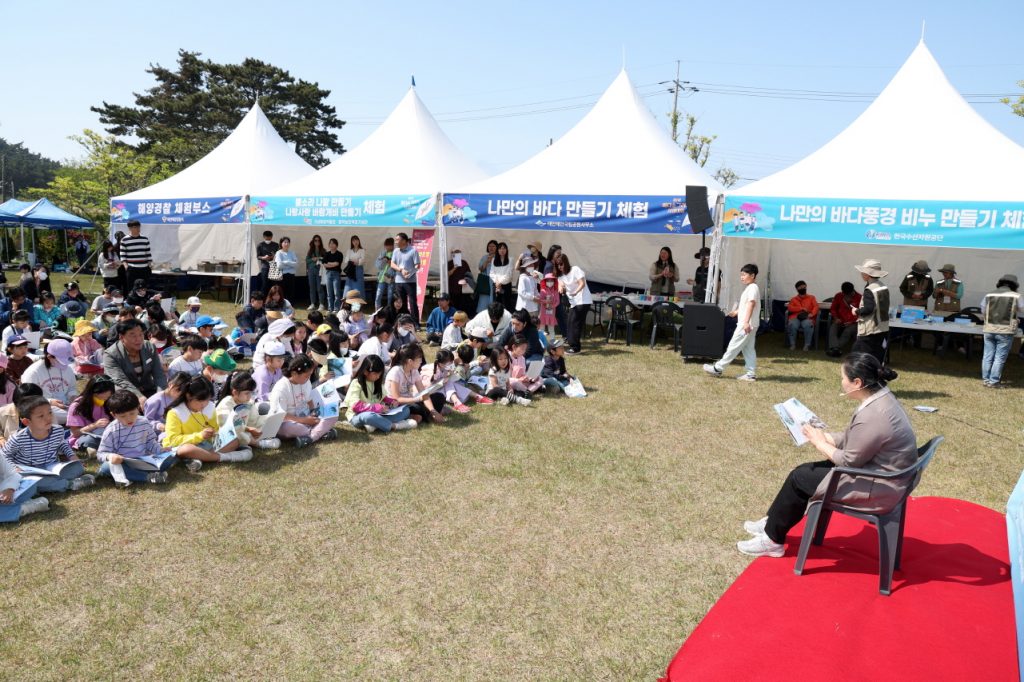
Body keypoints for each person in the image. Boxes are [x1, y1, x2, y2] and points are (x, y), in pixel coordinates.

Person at [737, 353, 910, 558]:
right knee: (807, 472)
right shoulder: (882, 398)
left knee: (799, 477)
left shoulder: (873, 415)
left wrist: (820, 443)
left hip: (877, 486)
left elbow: (849, 461)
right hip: (881, 475)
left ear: (857, 382)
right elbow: (857, 438)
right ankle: (773, 522)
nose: (841, 382)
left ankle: (772, 540)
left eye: (842, 378)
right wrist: (827, 437)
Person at [1, 395, 94, 492]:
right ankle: (69, 484)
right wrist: (14, 468)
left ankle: (51, 484)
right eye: (41, 416)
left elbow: (63, 445)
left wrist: (73, 457)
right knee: (27, 479)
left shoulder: (57, 430)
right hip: (30, 471)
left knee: (78, 467)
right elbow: (4, 456)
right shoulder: (18, 438)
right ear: (26, 421)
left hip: (52, 467)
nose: (48, 418)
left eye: (50, 413)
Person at [163, 375, 251, 469]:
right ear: (188, 396)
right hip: (182, 446)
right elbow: (173, 440)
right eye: (200, 401)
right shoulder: (175, 412)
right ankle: (225, 457)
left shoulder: (209, 407)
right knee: (186, 449)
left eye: (207, 400)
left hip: (205, 445)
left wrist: (218, 435)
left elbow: (215, 430)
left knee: (235, 441)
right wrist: (200, 436)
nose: (204, 404)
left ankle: (200, 458)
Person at [97, 390, 173, 487]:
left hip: (143, 461)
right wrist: (111, 457)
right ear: (113, 415)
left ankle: (137, 474)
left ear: (138, 408)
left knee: (170, 457)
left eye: (132, 413)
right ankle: (149, 477)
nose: (129, 418)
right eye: (123, 416)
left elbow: (150, 441)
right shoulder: (111, 430)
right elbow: (101, 454)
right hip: (124, 463)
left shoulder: (144, 422)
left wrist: (160, 450)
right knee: (107, 467)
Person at [703, 264, 760, 381]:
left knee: (733, 346)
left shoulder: (753, 288)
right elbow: (747, 305)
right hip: (751, 324)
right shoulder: (751, 288)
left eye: (744, 275)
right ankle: (750, 374)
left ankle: (718, 368)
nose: (741, 277)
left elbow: (751, 304)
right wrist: (736, 312)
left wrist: (745, 322)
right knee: (748, 349)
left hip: (746, 325)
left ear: (752, 275)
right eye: (741, 275)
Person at [269, 354, 339, 446]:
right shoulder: (281, 388)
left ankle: (310, 437)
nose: (308, 378)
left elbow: (309, 400)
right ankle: (320, 433)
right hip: (288, 422)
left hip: (306, 418)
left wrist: (313, 412)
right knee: (290, 428)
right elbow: (280, 415)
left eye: (310, 375)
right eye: (306, 376)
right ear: (294, 373)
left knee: (333, 412)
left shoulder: (306, 382)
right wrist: (304, 420)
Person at [344, 354, 416, 433]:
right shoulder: (356, 383)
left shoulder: (376, 383)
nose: (378, 376)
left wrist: (392, 402)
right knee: (368, 416)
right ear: (365, 372)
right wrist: (377, 408)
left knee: (406, 410)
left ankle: (375, 424)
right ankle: (395, 426)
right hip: (357, 415)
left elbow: (384, 397)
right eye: (375, 374)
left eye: (380, 374)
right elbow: (355, 406)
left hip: (378, 414)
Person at [216, 370, 280, 451]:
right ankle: (258, 443)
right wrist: (248, 429)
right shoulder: (226, 404)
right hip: (228, 436)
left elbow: (254, 420)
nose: (249, 396)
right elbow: (229, 426)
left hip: (245, 433)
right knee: (239, 433)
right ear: (235, 392)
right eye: (246, 393)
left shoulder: (248, 402)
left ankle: (254, 440)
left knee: (266, 420)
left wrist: (269, 421)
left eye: (251, 393)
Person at [103, 319, 167, 398]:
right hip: (126, 395)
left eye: (141, 334)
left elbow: (159, 374)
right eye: (133, 336)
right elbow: (120, 381)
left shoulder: (149, 347)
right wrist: (139, 397)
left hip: (149, 389)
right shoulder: (110, 355)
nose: (138, 339)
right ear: (121, 337)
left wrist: (160, 395)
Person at [385, 344, 445, 424]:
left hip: (411, 401)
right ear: (410, 361)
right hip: (398, 405)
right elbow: (397, 399)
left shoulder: (414, 371)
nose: (421, 361)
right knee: (417, 408)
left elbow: (423, 393)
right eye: (419, 359)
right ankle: (419, 415)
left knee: (439, 397)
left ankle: (425, 415)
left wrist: (433, 411)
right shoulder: (396, 372)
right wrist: (418, 399)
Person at [21, 339, 78, 424]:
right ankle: (75, 418)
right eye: (60, 360)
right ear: (49, 357)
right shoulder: (33, 372)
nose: (64, 364)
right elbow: (29, 397)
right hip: (44, 406)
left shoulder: (68, 369)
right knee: (50, 414)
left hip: (66, 405)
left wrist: (73, 397)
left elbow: (72, 388)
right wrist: (50, 402)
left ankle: (75, 417)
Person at [980, 274, 1020, 388]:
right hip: (1005, 330)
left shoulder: (989, 294)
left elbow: (983, 309)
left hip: (989, 328)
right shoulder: (1016, 296)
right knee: (999, 357)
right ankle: (993, 381)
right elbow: (1022, 309)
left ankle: (986, 380)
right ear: (1014, 285)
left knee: (987, 356)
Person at [851, 259, 891, 367]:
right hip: (882, 327)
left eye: (863, 271)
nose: (861, 273)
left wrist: (856, 311)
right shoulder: (882, 286)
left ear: (867, 274)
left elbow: (869, 309)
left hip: (870, 328)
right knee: (876, 358)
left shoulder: (870, 289)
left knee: (859, 358)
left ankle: (863, 375)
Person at [66, 375, 115, 455]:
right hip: (87, 435)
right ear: (90, 392)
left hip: (107, 433)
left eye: (106, 398)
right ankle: (92, 448)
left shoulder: (110, 401)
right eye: (99, 398)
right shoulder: (77, 406)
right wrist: (95, 425)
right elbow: (76, 433)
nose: (103, 401)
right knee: (87, 441)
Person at [554, 253, 592, 355]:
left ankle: (575, 348)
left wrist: (575, 292)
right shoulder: (561, 276)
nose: (560, 267)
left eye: (561, 264)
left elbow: (582, 283)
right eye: (557, 265)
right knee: (570, 322)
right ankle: (573, 345)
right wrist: (561, 288)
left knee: (575, 323)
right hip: (574, 303)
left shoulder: (575, 269)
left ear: (566, 262)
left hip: (583, 301)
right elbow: (561, 285)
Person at [391, 232, 421, 326]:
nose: (395, 242)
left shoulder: (413, 251)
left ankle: (415, 323)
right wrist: (401, 270)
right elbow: (392, 264)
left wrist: (410, 273)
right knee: (400, 302)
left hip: (410, 281)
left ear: (404, 241)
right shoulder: (396, 251)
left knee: (412, 302)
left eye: (397, 240)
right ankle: (402, 322)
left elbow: (417, 265)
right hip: (398, 281)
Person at [827, 282, 862, 357]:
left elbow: (861, 313)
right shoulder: (838, 296)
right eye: (845, 294)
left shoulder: (859, 298)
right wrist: (836, 318)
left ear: (852, 291)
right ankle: (835, 348)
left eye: (848, 295)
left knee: (848, 331)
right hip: (840, 320)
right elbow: (833, 309)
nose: (847, 296)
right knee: (833, 328)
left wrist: (852, 321)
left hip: (853, 323)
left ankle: (836, 348)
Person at [786, 280, 820, 351]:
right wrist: (800, 308)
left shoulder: (811, 297)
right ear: (797, 289)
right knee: (792, 324)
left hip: (807, 317)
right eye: (800, 287)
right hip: (795, 317)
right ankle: (792, 344)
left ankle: (807, 345)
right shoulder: (793, 299)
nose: (803, 288)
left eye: (804, 287)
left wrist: (812, 314)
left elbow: (816, 307)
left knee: (808, 324)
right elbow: (790, 308)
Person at [119, 220, 153, 288]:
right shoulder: (124, 240)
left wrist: (150, 265)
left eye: (139, 227)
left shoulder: (145, 239)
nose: (138, 229)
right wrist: (126, 267)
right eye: (136, 227)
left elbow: (148, 253)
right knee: (132, 288)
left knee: (144, 288)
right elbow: (123, 256)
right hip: (132, 268)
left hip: (144, 268)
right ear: (130, 228)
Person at [475, 240, 498, 314]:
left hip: (496, 282)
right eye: (489, 246)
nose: (491, 248)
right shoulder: (484, 257)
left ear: (497, 247)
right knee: (483, 302)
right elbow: (481, 269)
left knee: (495, 302)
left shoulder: (499, 257)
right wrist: (487, 261)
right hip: (486, 283)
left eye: (493, 246)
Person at [489, 242, 514, 312]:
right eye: (500, 248)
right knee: (497, 306)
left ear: (506, 250)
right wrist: (497, 282)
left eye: (504, 248)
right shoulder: (494, 260)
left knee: (507, 305)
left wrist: (500, 282)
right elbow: (492, 273)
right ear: (497, 250)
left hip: (506, 285)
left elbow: (509, 274)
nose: (502, 250)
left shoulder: (510, 259)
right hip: (496, 285)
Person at [446, 249, 473, 313]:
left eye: (459, 255)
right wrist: (454, 268)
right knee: (453, 305)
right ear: (453, 256)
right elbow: (446, 274)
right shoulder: (449, 263)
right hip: (452, 289)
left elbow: (469, 275)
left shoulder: (464, 263)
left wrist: (465, 280)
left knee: (463, 306)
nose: (457, 256)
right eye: (455, 255)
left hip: (463, 289)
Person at [374, 237, 396, 312]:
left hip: (391, 277)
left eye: (390, 245)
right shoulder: (382, 253)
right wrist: (383, 260)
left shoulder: (396, 253)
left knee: (390, 296)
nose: (388, 247)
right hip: (382, 277)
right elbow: (378, 265)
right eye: (386, 245)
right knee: (378, 295)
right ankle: (377, 311)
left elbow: (398, 266)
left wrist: (391, 263)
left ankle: (389, 311)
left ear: (393, 245)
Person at [306, 235, 327, 312]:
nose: (317, 242)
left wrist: (319, 258)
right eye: (315, 240)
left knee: (320, 288)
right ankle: (312, 304)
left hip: (320, 271)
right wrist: (313, 259)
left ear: (320, 242)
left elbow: (325, 260)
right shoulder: (310, 250)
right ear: (313, 241)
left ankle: (321, 304)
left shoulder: (323, 250)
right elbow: (307, 260)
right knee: (312, 288)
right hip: (311, 270)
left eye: (318, 240)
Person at [322, 238, 344, 312]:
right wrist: (332, 264)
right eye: (330, 243)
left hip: (336, 274)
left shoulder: (339, 254)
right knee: (329, 293)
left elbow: (337, 264)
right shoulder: (327, 254)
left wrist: (329, 263)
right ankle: (330, 308)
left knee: (336, 292)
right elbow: (324, 264)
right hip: (328, 274)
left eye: (333, 243)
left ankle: (336, 308)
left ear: (336, 245)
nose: (331, 245)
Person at [256, 230, 279, 299]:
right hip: (265, 266)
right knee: (264, 284)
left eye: (270, 238)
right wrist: (263, 257)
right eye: (267, 238)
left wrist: (273, 256)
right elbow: (258, 256)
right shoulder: (260, 245)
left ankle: (274, 298)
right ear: (264, 237)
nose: (268, 239)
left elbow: (278, 255)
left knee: (274, 284)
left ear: (272, 237)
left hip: (274, 266)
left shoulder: (276, 245)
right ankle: (262, 299)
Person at [537, 273, 559, 338]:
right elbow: (540, 300)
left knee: (551, 329)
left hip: (551, 313)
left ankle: (553, 341)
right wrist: (545, 301)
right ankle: (541, 342)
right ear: (545, 282)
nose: (550, 282)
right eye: (548, 281)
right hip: (543, 313)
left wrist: (552, 306)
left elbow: (558, 301)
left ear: (554, 282)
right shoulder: (543, 290)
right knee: (541, 329)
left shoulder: (555, 291)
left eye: (551, 281)